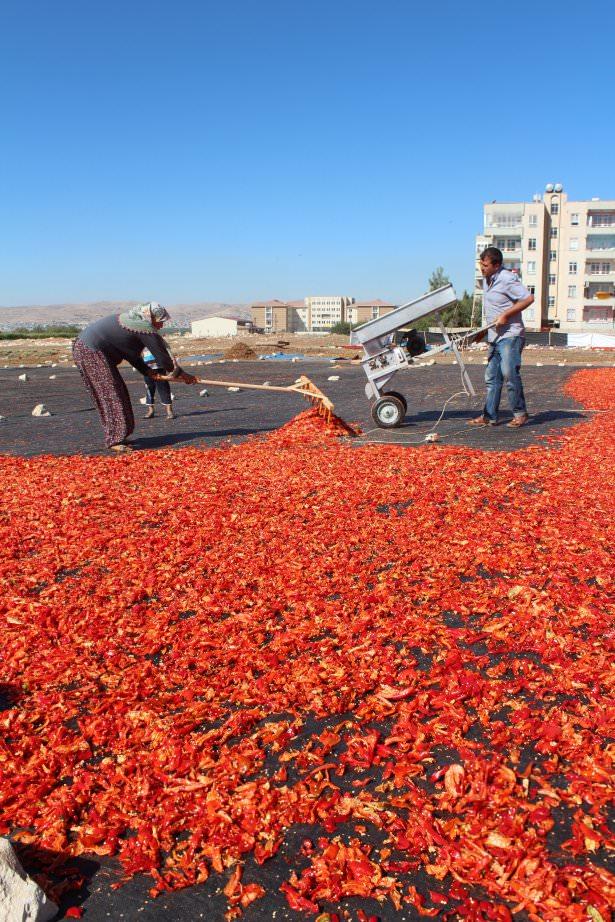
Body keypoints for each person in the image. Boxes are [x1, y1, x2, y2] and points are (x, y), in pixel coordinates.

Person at [73, 302, 195, 451]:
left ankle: (119, 435)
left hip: (90, 350)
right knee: (111, 394)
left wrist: (147, 371)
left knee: (118, 392)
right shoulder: (143, 327)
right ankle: (114, 440)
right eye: (160, 321)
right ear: (150, 317)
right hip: (90, 351)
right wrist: (182, 375)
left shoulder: (133, 322)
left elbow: (130, 354)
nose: (161, 326)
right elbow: (163, 358)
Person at [468, 247, 534, 428]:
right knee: (492, 377)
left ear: (496, 265)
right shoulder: (487, 280)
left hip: (510, 335)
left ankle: (520, 413)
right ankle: (489, 416)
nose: (482, 268)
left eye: (485, 265)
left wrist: (505, 315)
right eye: (481, 264)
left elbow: (528, 299)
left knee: (509, 373)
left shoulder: (507, 279)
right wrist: (484, 331)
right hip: (495, 336)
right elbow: (493, 309)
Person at [142, 348, 175, 420]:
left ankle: (169, 411)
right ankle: (151, 411)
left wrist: (172, 362)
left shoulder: (157, 338)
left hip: (160, 367)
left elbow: (167, 349)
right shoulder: (140, 339)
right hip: (147, 368)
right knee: (149, 389)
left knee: (164, 388)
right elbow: (138, 353)